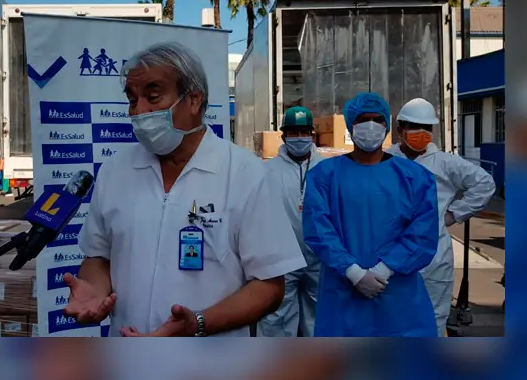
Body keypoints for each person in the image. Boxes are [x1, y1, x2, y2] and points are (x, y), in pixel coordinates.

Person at [65, 42, 306, 337]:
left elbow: (270, 286)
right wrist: (93, 290)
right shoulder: (116, 171)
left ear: (194, 100)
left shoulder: (245, 173)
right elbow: (98, 257)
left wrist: (198, 324)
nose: (139, 111)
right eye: (132, 99)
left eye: (153, 97)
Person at [303, 92, 440, 337]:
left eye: (378, 119)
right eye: (363, 119)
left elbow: (422, 232)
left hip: (396, 292)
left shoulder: (415, 177)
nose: (371, 125)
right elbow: (318, 229)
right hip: (343, 291)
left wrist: (384, 270)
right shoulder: (324, 176)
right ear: (350, 125)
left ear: (387, 126)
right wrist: (352, 272)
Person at [386, 98, 496, 334]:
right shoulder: (386, 160)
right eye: (415, 126)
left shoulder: (445, 163)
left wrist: (455, 214)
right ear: (400, 130)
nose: (422, 133)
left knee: (434, 317)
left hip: (434, 255)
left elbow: (485, 184)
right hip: (392, 252)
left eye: (427, 128)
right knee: (393, 317)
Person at [258, 106, 323, 338]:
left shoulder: (326, 169)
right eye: (293, 132)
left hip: (320, 259)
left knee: (319, 319)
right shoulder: (267, 171)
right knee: (277, 318)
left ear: (312, 134)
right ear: (283, 136)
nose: (299, 138)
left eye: (303, 132)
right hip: (282, 259)